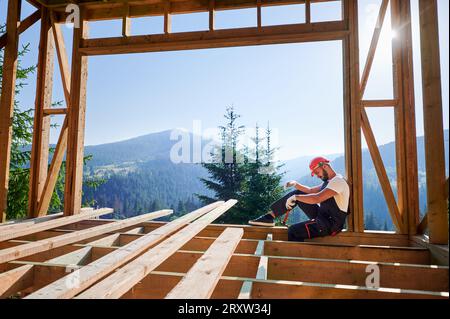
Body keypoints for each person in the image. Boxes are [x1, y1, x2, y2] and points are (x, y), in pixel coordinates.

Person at [249, 156, 350, 242]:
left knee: (293, 231)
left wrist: (295, 197)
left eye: (317, 172)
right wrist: (295, 184)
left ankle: (297, 263)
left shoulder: (338, 181)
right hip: (323, 216)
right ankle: (269, 217)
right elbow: (310, 191)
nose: (317, 176)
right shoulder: (330, 181)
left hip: (330, 224)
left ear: (324, 166)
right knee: (298, 193)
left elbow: (317, 198)